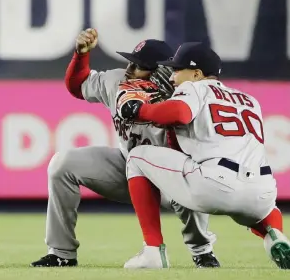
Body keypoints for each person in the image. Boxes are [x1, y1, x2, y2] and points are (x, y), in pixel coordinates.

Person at [30, 29, 220, 268]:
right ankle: (61, 253)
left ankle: (202, 251)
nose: (130, 69)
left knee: (191, 175)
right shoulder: (117, 81)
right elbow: (77, 86)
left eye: (138, 65)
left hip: (172, 176)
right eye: (131, 61)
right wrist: (81, 55)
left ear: (160, 72)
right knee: (62, 164)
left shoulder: (186, 96)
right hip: (127, 167)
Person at [117, 42, 290, 269]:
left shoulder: (195, 88)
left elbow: (179, 113)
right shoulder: (250, 100)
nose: (172, 77)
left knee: (137, 157)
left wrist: (139, 110)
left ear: (197, 73)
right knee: (263, 208)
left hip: (214, 184)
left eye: (178, 70)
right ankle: (275, 236)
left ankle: (152, 250)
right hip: (263, 192)